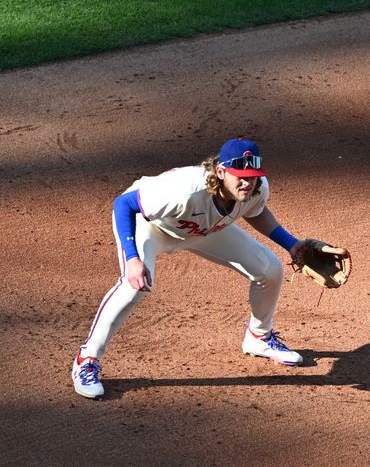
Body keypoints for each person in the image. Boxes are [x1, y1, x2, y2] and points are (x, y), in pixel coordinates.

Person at [72, 137, 311, 400]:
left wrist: (292, 245)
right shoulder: (184, 191)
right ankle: (87, 359)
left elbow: (256, 211)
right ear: (220, 172)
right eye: (240, 176)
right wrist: (132, 259)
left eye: (252, 176)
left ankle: (259, 338)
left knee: (270, 270)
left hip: (203, 230)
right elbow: (124, 205)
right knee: (134, 286)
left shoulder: (254, 189)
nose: (247, 182)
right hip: (152, 227)